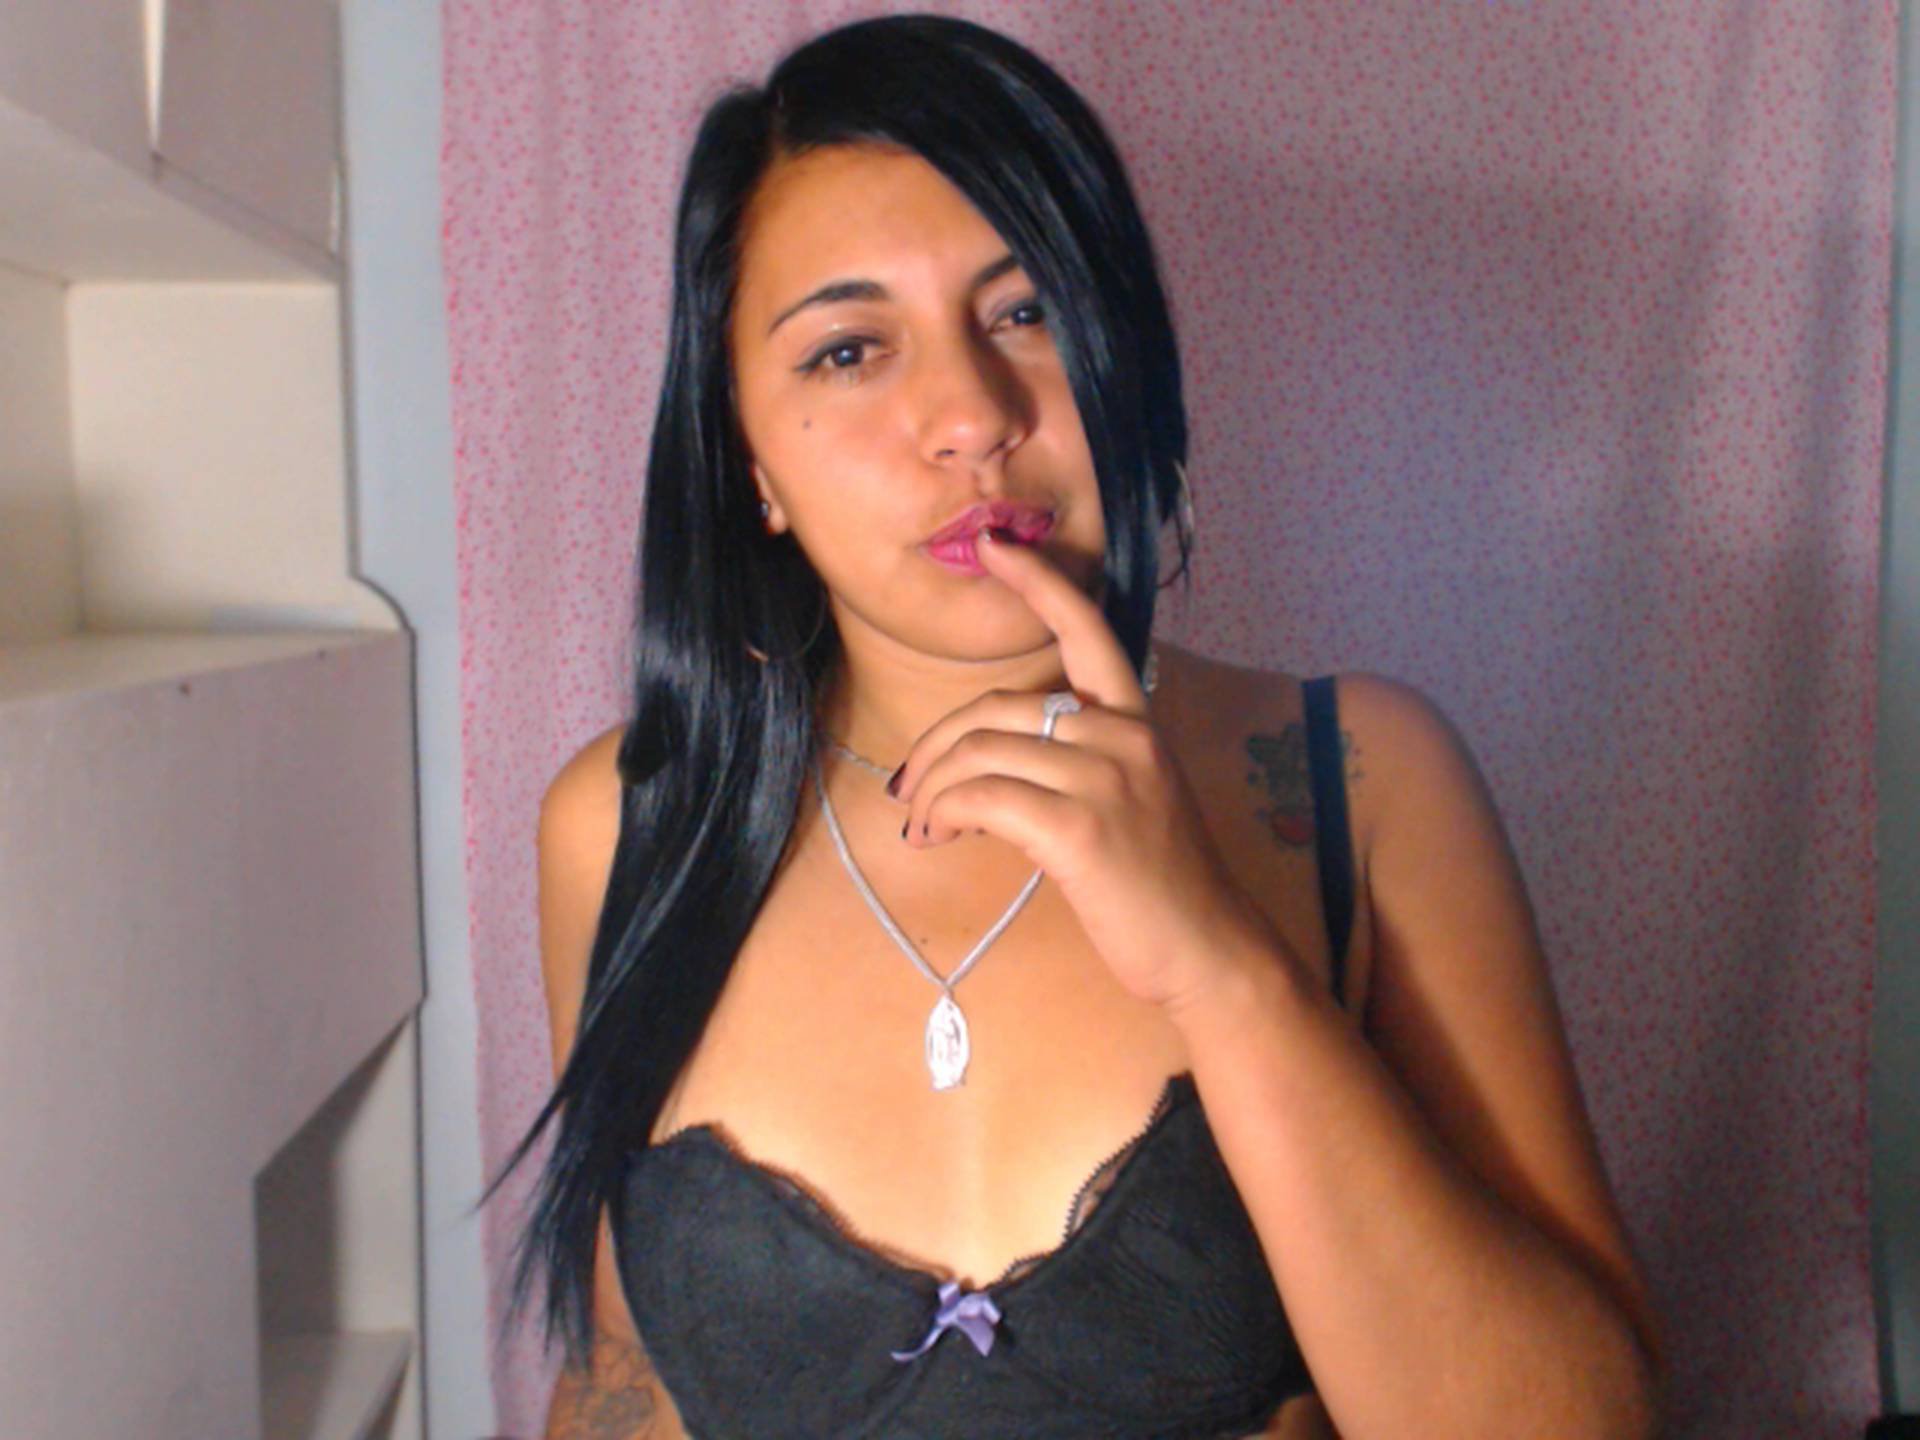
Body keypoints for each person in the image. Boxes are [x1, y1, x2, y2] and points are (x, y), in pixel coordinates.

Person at [482, 14, 1666, 1438]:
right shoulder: (624, 823)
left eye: (1027, 312)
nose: (971, 416)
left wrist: (1221, 967)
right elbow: (626, 1381)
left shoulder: (1356, 781)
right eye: (850, 351)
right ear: (751, 464)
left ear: (1128, 359)